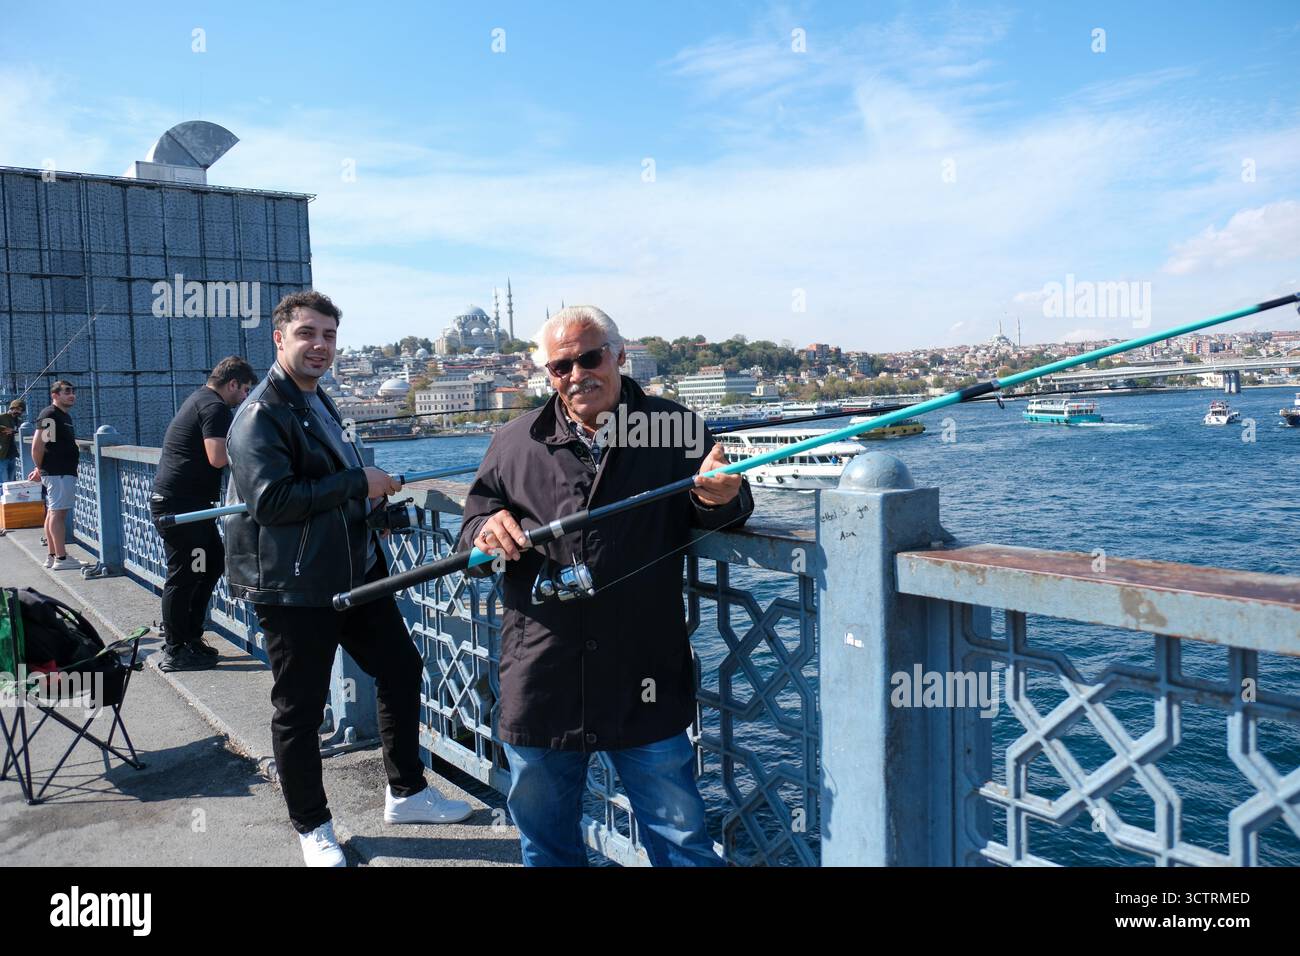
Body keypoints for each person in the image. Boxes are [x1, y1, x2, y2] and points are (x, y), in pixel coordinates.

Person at [456, 305, 754, 866]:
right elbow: (472, 526)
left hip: (642, 674)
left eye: (589, 358)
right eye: (560, 366)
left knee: (681, 843)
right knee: (545, 846)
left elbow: (727, 507)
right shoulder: (513, 441)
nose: (576, 375)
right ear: (546, 374)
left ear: (619, 355)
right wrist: (486, 529)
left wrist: (720, 498)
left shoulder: (677, 429)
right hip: (542, 675)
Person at [223, 290, 472, 867]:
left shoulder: (319, 401)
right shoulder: (259, 414)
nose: (321, 346)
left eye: (330, 336)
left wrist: (370, 507)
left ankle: (406, 793)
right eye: (308, 334)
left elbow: (327, 482)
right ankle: (313, 827)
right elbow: (272, 501)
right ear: (279, 339)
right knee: (300, 710)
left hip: (353, 569)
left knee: (401, 667)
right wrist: (361, 483)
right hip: (296, 584)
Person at [149, 357, 257, 672]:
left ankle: (191, 639)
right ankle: (175, 649)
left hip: (190, 507)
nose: (245, 397)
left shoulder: (200, 398)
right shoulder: (215, 408)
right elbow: (217, 457)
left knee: (208, 565)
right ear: (233, 383)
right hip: (180, 508)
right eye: (245, 389)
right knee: (185, 574)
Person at [27, 381, 83, 570]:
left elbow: (48, 444)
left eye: (73, 391)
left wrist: (41, 468)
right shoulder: (50, 414)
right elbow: (38, 446)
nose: (71, 394)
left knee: (53, 513)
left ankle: (52, 556)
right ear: (55, 395)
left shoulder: (63, 416)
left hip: (59, 471)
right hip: (58, 472)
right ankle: (61, 558)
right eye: (67, 391)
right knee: (58, 514)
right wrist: (40, 467)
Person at [0, 399, 25, 485]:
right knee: (4, 482)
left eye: (21, 410)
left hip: (12, 454)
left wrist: (14, 431)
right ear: (12, 408)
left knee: (11, 481)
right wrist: (4, 429)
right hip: (2, 454)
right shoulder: (2, 417)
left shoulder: (18, 420)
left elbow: (19, 431)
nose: (19, 412)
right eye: (17, 409)